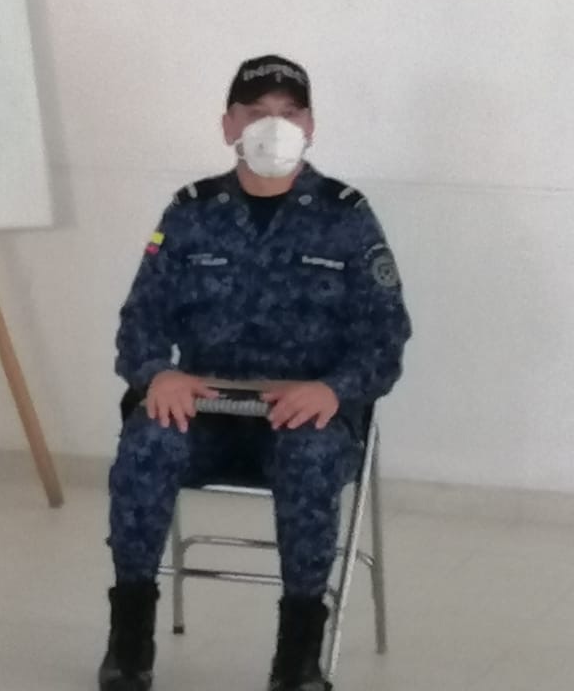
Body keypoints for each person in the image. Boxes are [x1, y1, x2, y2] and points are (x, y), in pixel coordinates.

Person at [99, 55, 411, 691]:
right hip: (205, 412)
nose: (274, 126)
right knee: (147, 439)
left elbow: (385, 337)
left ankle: (297, 656)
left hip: (304, 416)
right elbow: (140, 320)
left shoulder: (346, 216)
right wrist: (157, 374)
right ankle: (129, 642)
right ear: (228, 125)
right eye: (257, 112)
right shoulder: (191, 212)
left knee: (309, 454)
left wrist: (334, 389)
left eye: (289, 113)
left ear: (311, 126)